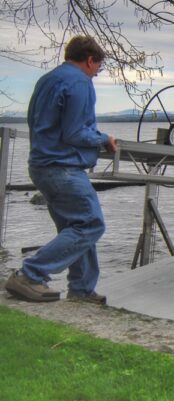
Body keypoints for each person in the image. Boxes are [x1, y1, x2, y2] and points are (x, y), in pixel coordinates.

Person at [5, 35, 117, 304]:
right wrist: (103, 140)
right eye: (97, 68)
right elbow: (75, 132)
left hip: (41, 163)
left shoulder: (48, 80)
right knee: (90, 223)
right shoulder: (80, 82)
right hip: (62, 167)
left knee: (74, 224)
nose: (96, 74)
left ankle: (81, 289)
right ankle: (30, 274)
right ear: (90, 60)